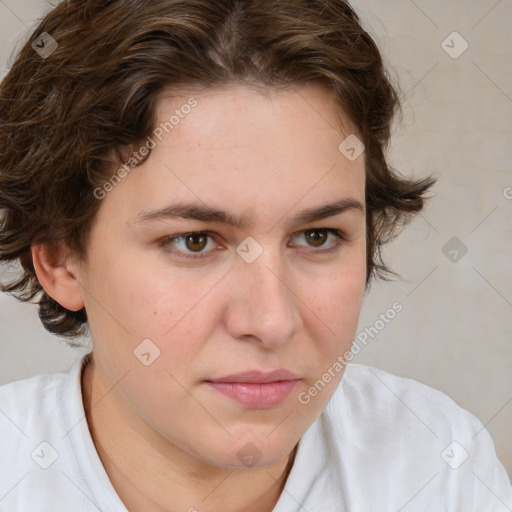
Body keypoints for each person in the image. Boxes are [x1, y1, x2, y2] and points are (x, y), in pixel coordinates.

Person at [0, 0, 510, 511]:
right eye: (194, 241)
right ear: (60, 260)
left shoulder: (437, 466)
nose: (271, 321)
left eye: (318, 236)